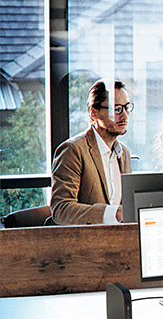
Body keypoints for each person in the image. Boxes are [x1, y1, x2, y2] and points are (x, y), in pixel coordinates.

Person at [50, 80, 133, 225]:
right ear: (93, 113)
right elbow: (61, 209)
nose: (124, 115)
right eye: (116, 109)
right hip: (84, 242)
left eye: (126, 107)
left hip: (118, 240)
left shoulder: (123, 152)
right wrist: (112, 213)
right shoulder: (73, 150)